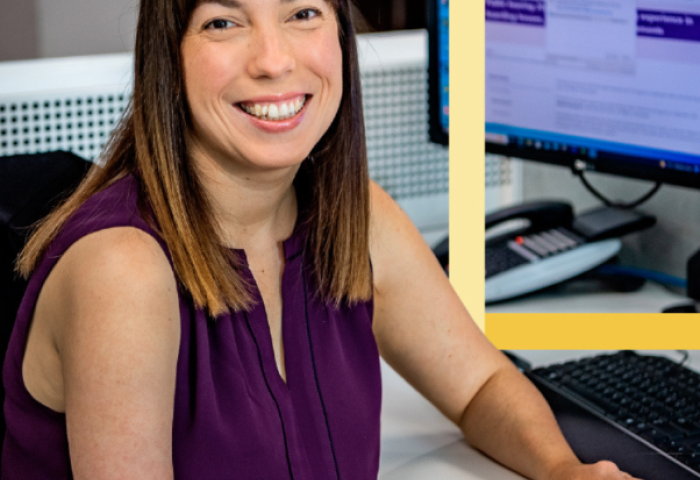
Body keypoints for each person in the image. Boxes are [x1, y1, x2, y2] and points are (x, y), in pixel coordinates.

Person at [3, 0, 641, 479]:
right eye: (224, 22)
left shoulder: (355, 216)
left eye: (303, 12)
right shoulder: (124, 271)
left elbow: (480, 388)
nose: (274, 59)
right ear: (168, 54)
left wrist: (564, 471)